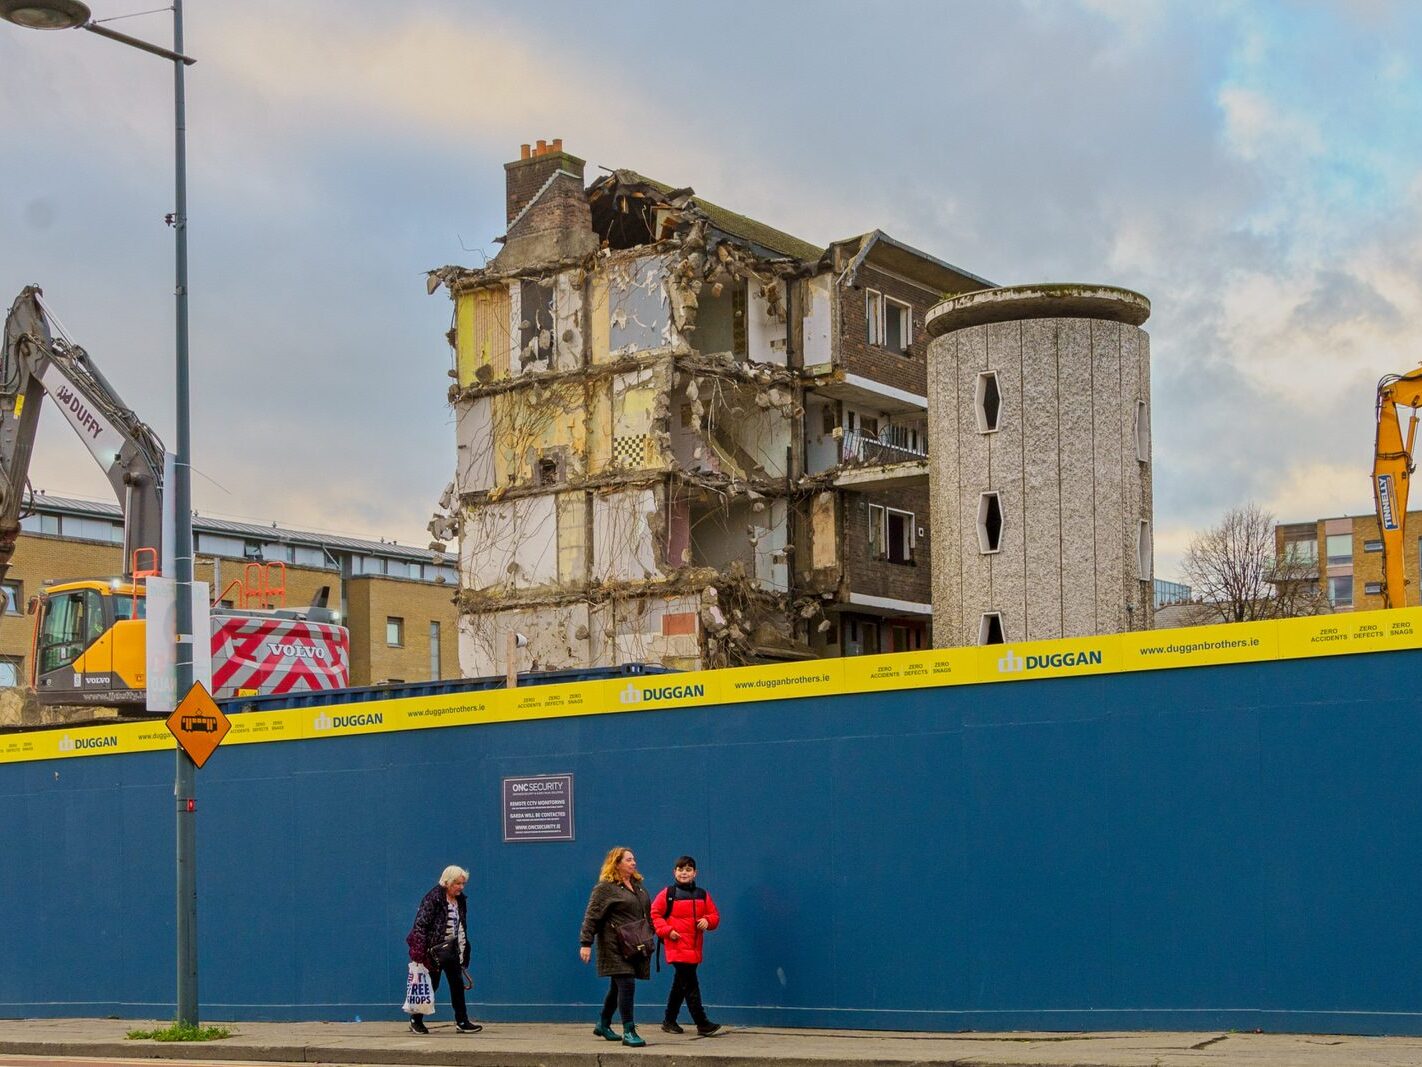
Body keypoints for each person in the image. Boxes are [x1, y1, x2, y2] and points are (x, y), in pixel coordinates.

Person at [579, 846, 653, 1047]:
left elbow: (646, 913)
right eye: (629, 859)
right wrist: (586, 943)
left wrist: (652, 934)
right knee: (627, 983)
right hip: (613, 944)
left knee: (617, 987)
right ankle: (629, 1030)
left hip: (634, 944)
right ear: (617, 863)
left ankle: (603, 1023)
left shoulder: (637, 886)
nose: (634, 862)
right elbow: (592, 916)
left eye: (633, 858)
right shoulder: (605, 888)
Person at [405, 865, 482, 1035]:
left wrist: (463, 950)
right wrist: (419, 953)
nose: (461, 887)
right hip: (433, 951)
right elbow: (420, 925)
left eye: (463, 884)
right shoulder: (433, 898)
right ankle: (415, 1019)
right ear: (447, 882)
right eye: (457, 884)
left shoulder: (460, 900)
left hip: (452, 949)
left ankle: (462, 1021)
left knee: (457, 984)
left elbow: (461, 926)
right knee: (431, 984)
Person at [650, 855, 722, 1035]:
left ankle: (669, 1020)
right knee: (691, 985)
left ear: (695, 873)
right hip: (677, 946)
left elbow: (714, 916)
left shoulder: (702, 894)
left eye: (688, 869)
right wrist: (667, 931)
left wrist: (707, 920)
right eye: (681, 869)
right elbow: (654, 914)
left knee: (680, 985)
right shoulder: (668, 894)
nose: (684, 873)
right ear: (674, 872)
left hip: (694, 947)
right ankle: (702, 1022)